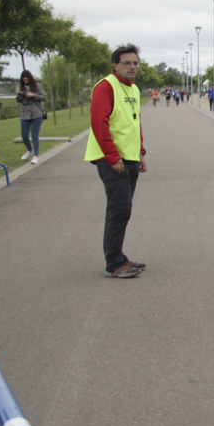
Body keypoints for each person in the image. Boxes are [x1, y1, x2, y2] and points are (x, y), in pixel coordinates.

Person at [84, 44, 148, 278]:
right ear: (115, 65)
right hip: (112, 159)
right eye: (127, 63)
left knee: (124, 209)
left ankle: (119, 256)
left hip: (129, 157)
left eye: (135, 63)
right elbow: (99, 124)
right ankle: (113, 262)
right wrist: (112, 157)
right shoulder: (105, 86)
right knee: (118, 209)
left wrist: (140, 152)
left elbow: (133, 122)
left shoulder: (133, 89)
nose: (132, 67)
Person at [16, 69, 47, 165]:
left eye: (26, 76)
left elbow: (44, 97)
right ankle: (30, 150)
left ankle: (35, 156)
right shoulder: (21, 88)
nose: (25, 79)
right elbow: (19, 100)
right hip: (25, 114)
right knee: (24, 135)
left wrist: (33, 95)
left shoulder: (37, 86)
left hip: (36, 114)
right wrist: (20, 96)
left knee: (34, 135)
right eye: (23, 77)